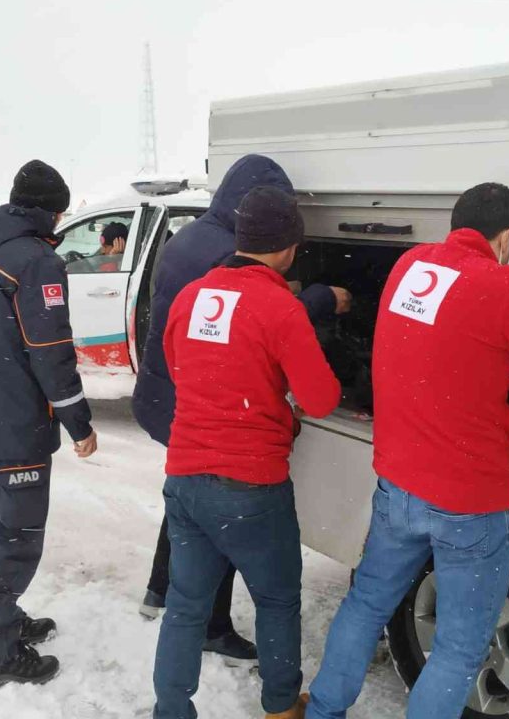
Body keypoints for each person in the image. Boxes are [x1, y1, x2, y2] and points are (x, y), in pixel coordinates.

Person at [306, 183, 509, 719]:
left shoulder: (410, 266)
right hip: (470, 499)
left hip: (399, 485)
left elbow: (451, 338)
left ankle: (324, 710)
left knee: (367, 605)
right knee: (461, 647)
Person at [132, 153, 352, 664]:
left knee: (190, 502)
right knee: (220, 513)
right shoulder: (224, 252)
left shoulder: (192, 237)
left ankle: (161, 589)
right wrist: (315, 300)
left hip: (169, 389)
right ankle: (213, 626)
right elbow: (248, 324)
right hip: (199, 403)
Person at [0, 159, 99, 688]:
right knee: (15, 538)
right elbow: (51, 352)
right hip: (16, 424)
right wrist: (79, 422)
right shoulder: (35, 261)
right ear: (49, 211)